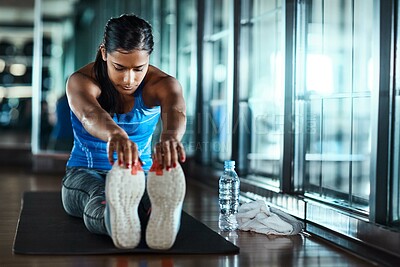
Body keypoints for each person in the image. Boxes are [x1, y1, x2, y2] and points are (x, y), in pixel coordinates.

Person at [61, 14, 186, 249]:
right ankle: (116, 219)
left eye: (139, 68)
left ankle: (159, 215)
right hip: (86, 171)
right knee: (100, 198)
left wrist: (170, 137)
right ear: (104, 53)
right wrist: (115, 134)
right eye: (119, 68)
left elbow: (177, 111)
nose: (129, 79)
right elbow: (90, 115)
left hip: (141, 174)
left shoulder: (163, 84)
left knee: (152, 198)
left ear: (149, 58)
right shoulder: (82, 80)